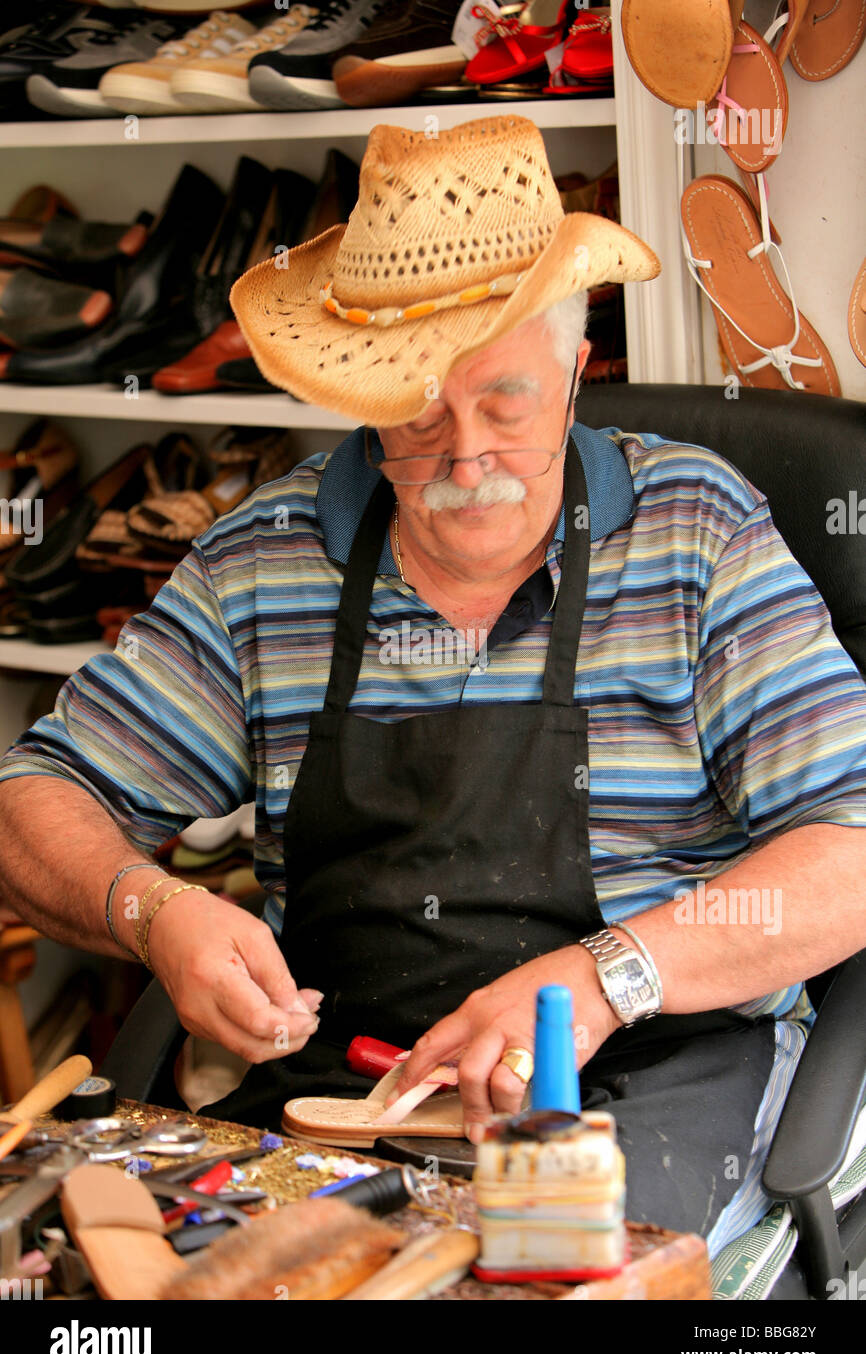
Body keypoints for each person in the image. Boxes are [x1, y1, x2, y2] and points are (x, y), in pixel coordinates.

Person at [1, 117, 865, 1257]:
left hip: (646, 1070)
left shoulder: (693, 535)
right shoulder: (262, 562)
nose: (462, 461)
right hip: (352, 1082)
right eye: (415, 415)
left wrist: (601, 982)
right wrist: (154, 912)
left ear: (571, 370)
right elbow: (33, 795)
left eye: (503, 403)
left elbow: (849, 846)